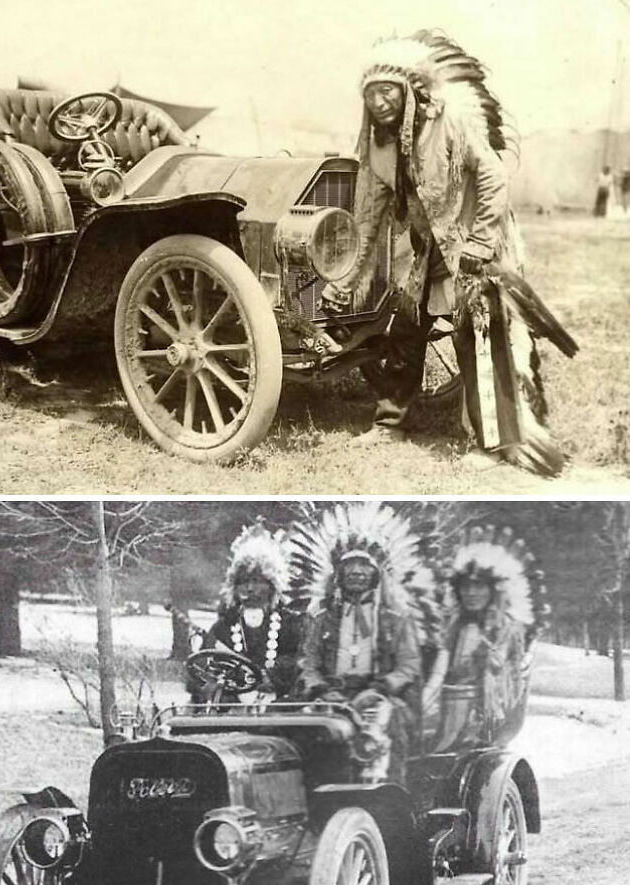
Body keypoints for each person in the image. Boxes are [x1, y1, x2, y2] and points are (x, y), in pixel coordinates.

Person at [321, 30, 578, 476]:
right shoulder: (378, 146)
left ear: (409, 90)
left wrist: (479, 245)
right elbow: (369, 215)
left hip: (474, 239)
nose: (380, 102)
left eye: (387, 91)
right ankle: (390, 423)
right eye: (371, 94)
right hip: (427, 249)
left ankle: (491, 440)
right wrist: (347, 276)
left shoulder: (451, 121)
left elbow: (495, 177)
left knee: (476, 336)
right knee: (405, 328)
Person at [289, 501, 436, 785]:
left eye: (364, 565)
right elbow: (308, 661)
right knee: (302, 731)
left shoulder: (396, 617)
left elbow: (409, 665)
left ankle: (387, 802)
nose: (357, 571)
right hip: (330, 696)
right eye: (350, 565)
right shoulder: (322, 616)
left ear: (377, 572)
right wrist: (320, 688)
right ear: (338, 573)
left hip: (380, 697)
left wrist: (379, 689)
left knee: (381, 730)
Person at [430, 525, 546, 752]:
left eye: (479, 586)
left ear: (493, 590)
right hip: (444, 707)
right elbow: (439, 669)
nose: (471, 593)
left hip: (484, 714)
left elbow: (504, 680)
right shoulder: (453, 626)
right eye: (465, 586)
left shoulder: (508, 630)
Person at [188, 519, 301, 703]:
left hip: (279, 705)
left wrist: (271, 676)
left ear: (272, 586)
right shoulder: (223, 627)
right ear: (234, 587)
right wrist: (218, 683)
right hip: (230, 706)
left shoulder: (289, 624)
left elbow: (299, 660)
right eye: (243, 581)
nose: (249, 588)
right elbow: (202, 670)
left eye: (257, 581)